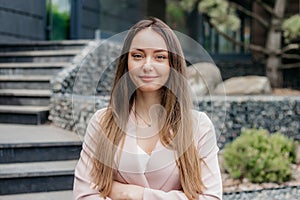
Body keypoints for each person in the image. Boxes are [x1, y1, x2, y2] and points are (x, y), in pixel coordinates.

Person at [73, 17, 222, 200]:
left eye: (160, 57)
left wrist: (136, 194)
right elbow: (84, 195)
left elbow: (211, 198)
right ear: (126, 63)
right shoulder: (102, 122)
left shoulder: (199, 126)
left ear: (172, 64)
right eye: (138, 56)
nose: (147, 65)